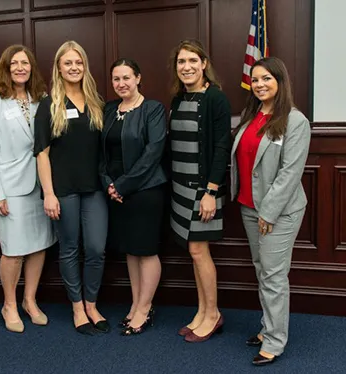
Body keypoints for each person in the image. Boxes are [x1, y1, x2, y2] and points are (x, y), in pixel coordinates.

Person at [231, 57, 310, 366]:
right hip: (250, 207)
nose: (260, 84)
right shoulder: (252, 116)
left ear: (280, 82)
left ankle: (275, 341)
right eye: (256, 79)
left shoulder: (294, 120)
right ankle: (267, 328)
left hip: (278, 212)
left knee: (274, 276)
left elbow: (291, 173)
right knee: (263, 271)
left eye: (267, 79)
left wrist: (269, 212)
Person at [34, 40, 109, 335]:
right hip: (62, 189)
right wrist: (49, 193)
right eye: (68, 63)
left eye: (78, 62)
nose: (74, 67)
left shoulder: (96, 102)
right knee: (68, 249)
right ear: (58, 67)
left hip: (94, 188)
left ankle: (91, 303)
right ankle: (77, 307)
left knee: (96, 248)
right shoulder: (48, 104)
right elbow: (42, 153)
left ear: (84, 66)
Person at [0, 45, 56, 333]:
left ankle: (29, 300)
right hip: (10, 187)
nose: (20, 68)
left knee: (39, 246)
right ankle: (9, 304)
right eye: (14, 63)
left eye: (25, 63)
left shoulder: (42, 100)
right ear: (6, 68)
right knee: (13, 250)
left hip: (42, 185)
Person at [168, 39, 231, 342]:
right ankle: (201, 311)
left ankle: (214, 314)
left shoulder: (215, 99)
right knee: (194, 252)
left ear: (204, 64)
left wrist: (211, 191)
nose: (187, 67)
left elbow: (221, 147)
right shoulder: (178, 99)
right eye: (181, 61)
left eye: (193, 60)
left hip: (203, 189)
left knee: (198, 250)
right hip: (180, 188)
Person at [100, 58, 168, 335]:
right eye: (116, 79)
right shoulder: (108, 109)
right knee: (130, 249)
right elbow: (100, 151)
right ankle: (135, 303)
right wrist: (108, 184)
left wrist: (124, 185)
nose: (121, 84)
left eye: (127, 77)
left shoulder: (152, 109)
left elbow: (153, 152)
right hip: (116, 192)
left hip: (145, 190)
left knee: (146, 249)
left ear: (138, 78)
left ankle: (145, 307)